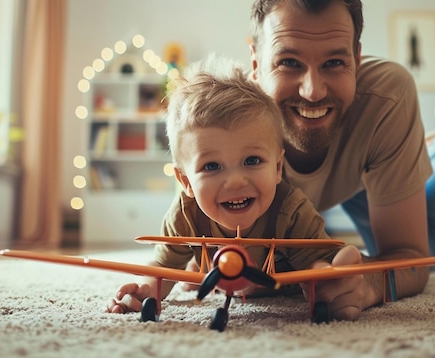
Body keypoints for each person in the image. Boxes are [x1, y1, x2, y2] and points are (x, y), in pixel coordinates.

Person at [247, 0, 435, 320]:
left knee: (433, 250)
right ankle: (427, 146)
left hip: (362, 172)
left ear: (357, 59)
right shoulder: (220, 115)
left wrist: (367, 284)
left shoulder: (387, 97)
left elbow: (411, 258)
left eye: (334, 62)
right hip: (353, 170)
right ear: (255, 63)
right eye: (289, 62)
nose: (312, 91)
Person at [106, 56, 347, 315]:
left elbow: (318, 266)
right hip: (223, 279)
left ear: (278, 168)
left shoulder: (292, 211)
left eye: (252, 160)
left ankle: (196, 269)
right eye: (211, 166)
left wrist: (327, 277)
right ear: (186, 181)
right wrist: (145, 289)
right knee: (185, 272)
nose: (234, 181)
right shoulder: (185, 214)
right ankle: (197, 269)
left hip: (278, 289)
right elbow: (162, 268)